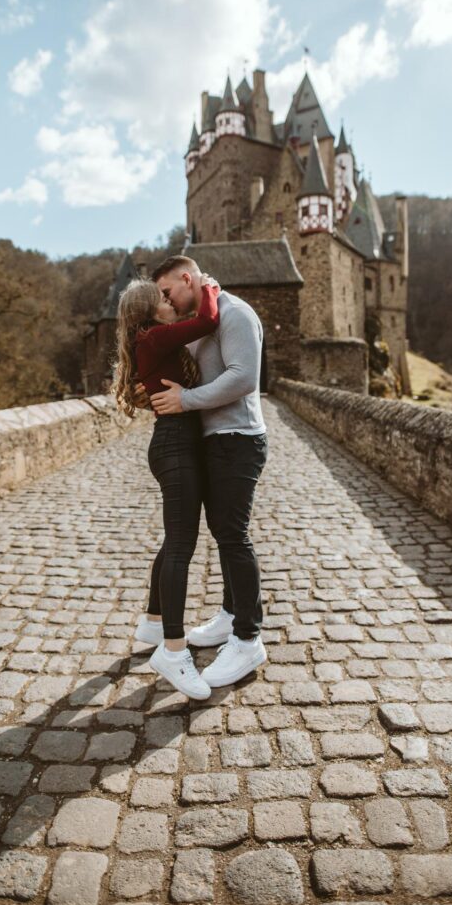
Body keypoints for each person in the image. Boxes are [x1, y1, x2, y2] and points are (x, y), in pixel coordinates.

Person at [148, 254, 268, 688]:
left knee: (234, 536)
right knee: (222, 532)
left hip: (239, 438)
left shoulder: (235, 313)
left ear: (187, 278)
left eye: (167, 292)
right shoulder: (201, 319)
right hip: (215, 442)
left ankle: (248, 638)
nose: (166, 300)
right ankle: (231, 614)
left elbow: (243, 378)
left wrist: (186, 401)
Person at [113, 273, 220, 700]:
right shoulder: (152, 339)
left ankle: (153, 620)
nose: (170, 300)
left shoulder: (156, 341)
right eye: (162, 297)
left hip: (176, 443)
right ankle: (173, 651)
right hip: (174, 445)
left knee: (175, 540)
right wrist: (209, 286)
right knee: (181, 546)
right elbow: (207, 321)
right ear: (147, 311)